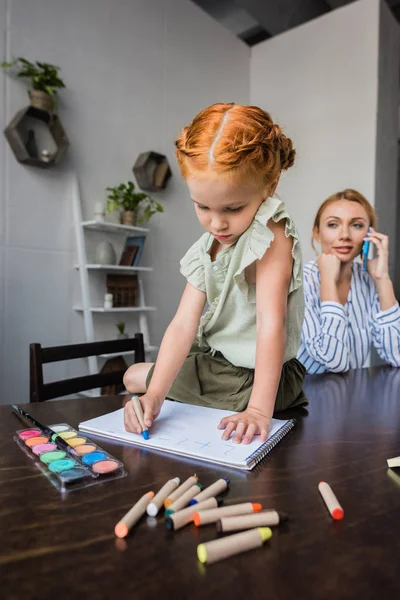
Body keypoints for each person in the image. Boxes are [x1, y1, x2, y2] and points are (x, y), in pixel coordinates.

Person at [124, 102, 307, 444]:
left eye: (233, 208)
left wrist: (258, 411)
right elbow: (182, 323)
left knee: (135, 376)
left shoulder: (273, 233)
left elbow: (272, 324)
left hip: (259, 381)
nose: (217, 222)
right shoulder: (210, 243)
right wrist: (155, 397)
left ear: (269, 185)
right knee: (142, 379)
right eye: (202, 206)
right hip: (223, 364)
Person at [297, 189, 400, 374]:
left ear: (369, 236)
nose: (344, 235)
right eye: (333, 224)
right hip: (304, 398)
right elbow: (334, 361)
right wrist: (328, 281)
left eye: (357, 225)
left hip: (350, 396)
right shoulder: (299, 283)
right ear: (317, 234)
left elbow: (397, 355)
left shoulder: (368, 283)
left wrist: (382, 279)